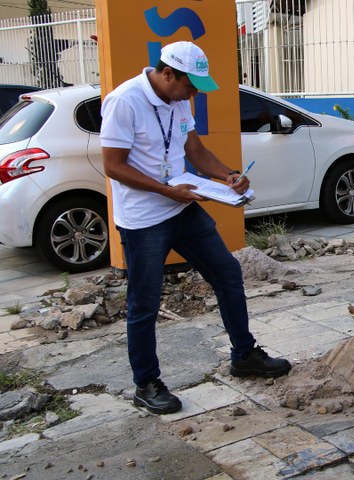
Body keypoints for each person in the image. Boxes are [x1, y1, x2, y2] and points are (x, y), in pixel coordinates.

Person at [100, 41, 291, 415]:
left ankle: (244, 355)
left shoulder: (178, 100)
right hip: (143, 219)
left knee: (227, 272)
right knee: (144, 303)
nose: (193, 94)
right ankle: (146, 384)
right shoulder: (124, 101)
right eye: (190, 86)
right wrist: (166, 190)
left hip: (182, 207)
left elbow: (196, 152)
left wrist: (229, 175)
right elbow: (113, 166)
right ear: (168, 73)